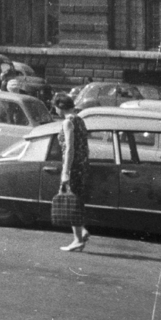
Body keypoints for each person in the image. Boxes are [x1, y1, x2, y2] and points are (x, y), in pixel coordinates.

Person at [54, 93, 90, 252]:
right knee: (76, 200)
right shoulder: (80, 120)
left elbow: (69, 148)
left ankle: (78, 239)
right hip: (82, 165)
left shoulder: (67, 122)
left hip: (73, 166)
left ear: (60, 108)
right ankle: (81, 231)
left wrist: (65, 172)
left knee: (71, 201)